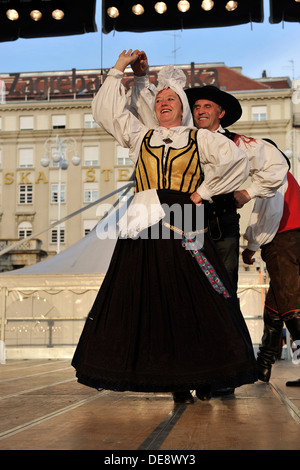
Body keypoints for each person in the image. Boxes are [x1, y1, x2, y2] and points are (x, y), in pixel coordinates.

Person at [72, 49, 258, 405]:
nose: (163, 103)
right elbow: (105, 112)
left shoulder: (199, 138)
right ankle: (174, 379)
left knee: (195, 299)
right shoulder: (140, 135)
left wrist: (202, 192)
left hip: (183, 218)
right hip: (143, 222)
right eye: (159, 100)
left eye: (171, 98)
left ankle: (206, 372)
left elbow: (236, 163)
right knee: (152, 300)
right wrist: (118, 71)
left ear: (183, 107)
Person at [129, 53, 288, 293]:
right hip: (182, 224)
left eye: (207, 106)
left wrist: (249, 191)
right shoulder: (179, 139)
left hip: (220, 225)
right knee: (185, 290)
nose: (201, 111)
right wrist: (140, 77)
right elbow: (145, 112)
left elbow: (277, 166)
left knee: (223, 290)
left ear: (221, 113)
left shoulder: (238, 142)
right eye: (196, 106)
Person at [242, 141, 300, 386]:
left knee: (290, 305)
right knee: (275, 308)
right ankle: (263, 367)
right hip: (291, 240)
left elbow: (268, 216)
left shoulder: (272, 177)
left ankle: (263, 366)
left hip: (282, 241)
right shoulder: (286, 177)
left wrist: (251, 246)